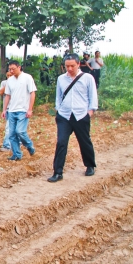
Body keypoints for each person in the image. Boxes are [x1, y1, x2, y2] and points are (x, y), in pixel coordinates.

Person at [48, 53, 98, 182]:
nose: (69, 69)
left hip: (81, 114)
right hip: (64, 115)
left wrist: (89, 112)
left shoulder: (87, 78)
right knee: (61, 143)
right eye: (67, 66)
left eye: (72, 66)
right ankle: (58, 172)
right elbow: (58, 96)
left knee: (84, 141)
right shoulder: (61, 79)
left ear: (78, 64)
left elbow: (93, 97)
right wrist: (58, 109)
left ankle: (90, 165)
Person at [1, 60, 37, 161]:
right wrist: (4, 110)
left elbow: (32, 93)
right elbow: (7, 96)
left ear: (19, 67)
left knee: (20, 131)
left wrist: (30, 109)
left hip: (23, 110)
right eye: (10, 69)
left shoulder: (27, 78)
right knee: (11, 134)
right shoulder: (10, 81)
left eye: (13, 69)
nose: (11, 71)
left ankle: (30, 146)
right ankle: (17, 154)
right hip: (12, 110)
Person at [0, 71, 15, 152]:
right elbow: (0, 92)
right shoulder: (4, 83)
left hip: (15, 108)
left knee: (11, 128)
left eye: (10, 75)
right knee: (9, 127)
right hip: (7, 109)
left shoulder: (17, 83)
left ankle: (8, 145)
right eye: (7, 75)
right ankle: (9, 144)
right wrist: (8, 84)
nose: (9, 77)